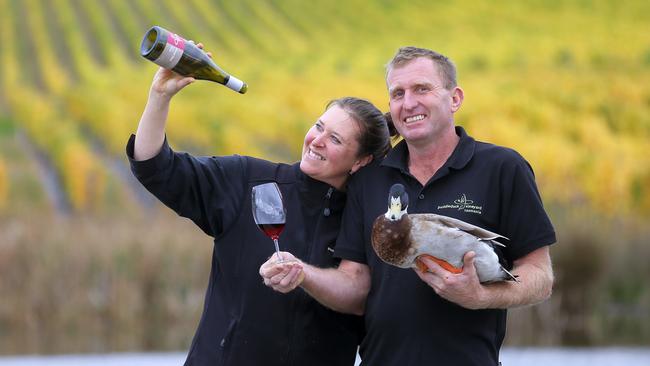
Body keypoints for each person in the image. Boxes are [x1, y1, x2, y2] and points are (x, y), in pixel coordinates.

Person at [260, 46, 556, 365]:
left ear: (454, 98)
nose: (409, 103)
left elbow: (540, 276)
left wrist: (481, 297)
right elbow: (356, 286)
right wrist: (302, 273)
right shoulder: (369, 179)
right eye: (398, 93)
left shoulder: (501, 169)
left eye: (422, 89)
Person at [127, 43, 391, 366]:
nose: (316, 140)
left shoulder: (370, 221)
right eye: (319, 127)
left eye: (335, 139)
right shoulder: (247, 179)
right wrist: (159, 96)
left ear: (361, 161)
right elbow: (155, 168)